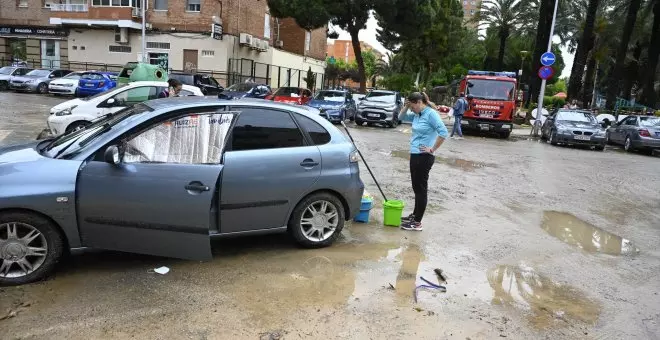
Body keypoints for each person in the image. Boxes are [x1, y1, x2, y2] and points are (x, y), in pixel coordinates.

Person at [397, 92, 449, 231]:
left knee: (421, 189)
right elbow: (399, 118)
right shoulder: (417, 114)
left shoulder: (430, 114)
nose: (412, 109)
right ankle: (414, 215)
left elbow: (443, 132)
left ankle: (417, 223)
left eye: (413, 106)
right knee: (416, 187)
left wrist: (432, 149)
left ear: (420, 102)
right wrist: (406, 106)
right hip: (415, 154)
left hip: (424, 157)